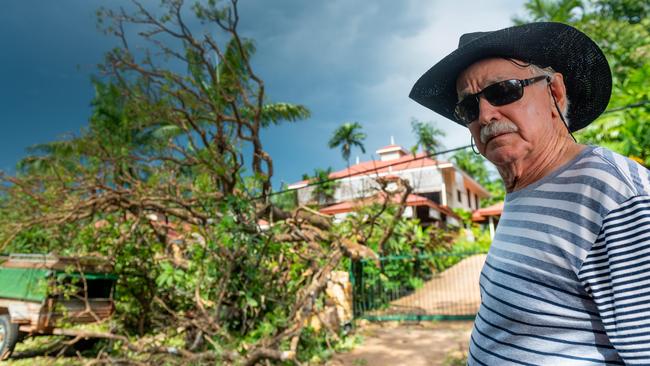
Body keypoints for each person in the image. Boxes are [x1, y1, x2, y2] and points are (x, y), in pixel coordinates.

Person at [410, 22, 650, 365]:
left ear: (555, 91)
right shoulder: (525, 187)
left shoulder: (612, 194)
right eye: (469, 108)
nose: (486, 115)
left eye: (504, 91)